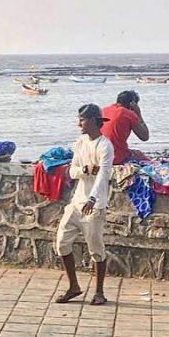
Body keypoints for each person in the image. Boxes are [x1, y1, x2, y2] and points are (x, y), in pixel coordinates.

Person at [55, 104, 114, 306]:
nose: (78, 123)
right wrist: (85, 170)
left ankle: (99, 292)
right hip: (77, 201)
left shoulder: (105, 146)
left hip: (94, 205)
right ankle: (73, 286)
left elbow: (103, 175)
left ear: (93, 121)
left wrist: (93, 199)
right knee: (62, 243)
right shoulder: (80, 142)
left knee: (96, 249)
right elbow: (72, 171)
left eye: (82, 120)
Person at [101, 90, 150, 165]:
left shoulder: (103, 110)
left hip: (98, 155)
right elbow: (145, 137)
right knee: (141, 156)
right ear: (132, 104)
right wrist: (138, 114)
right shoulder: (128, 114)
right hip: (115, 157)